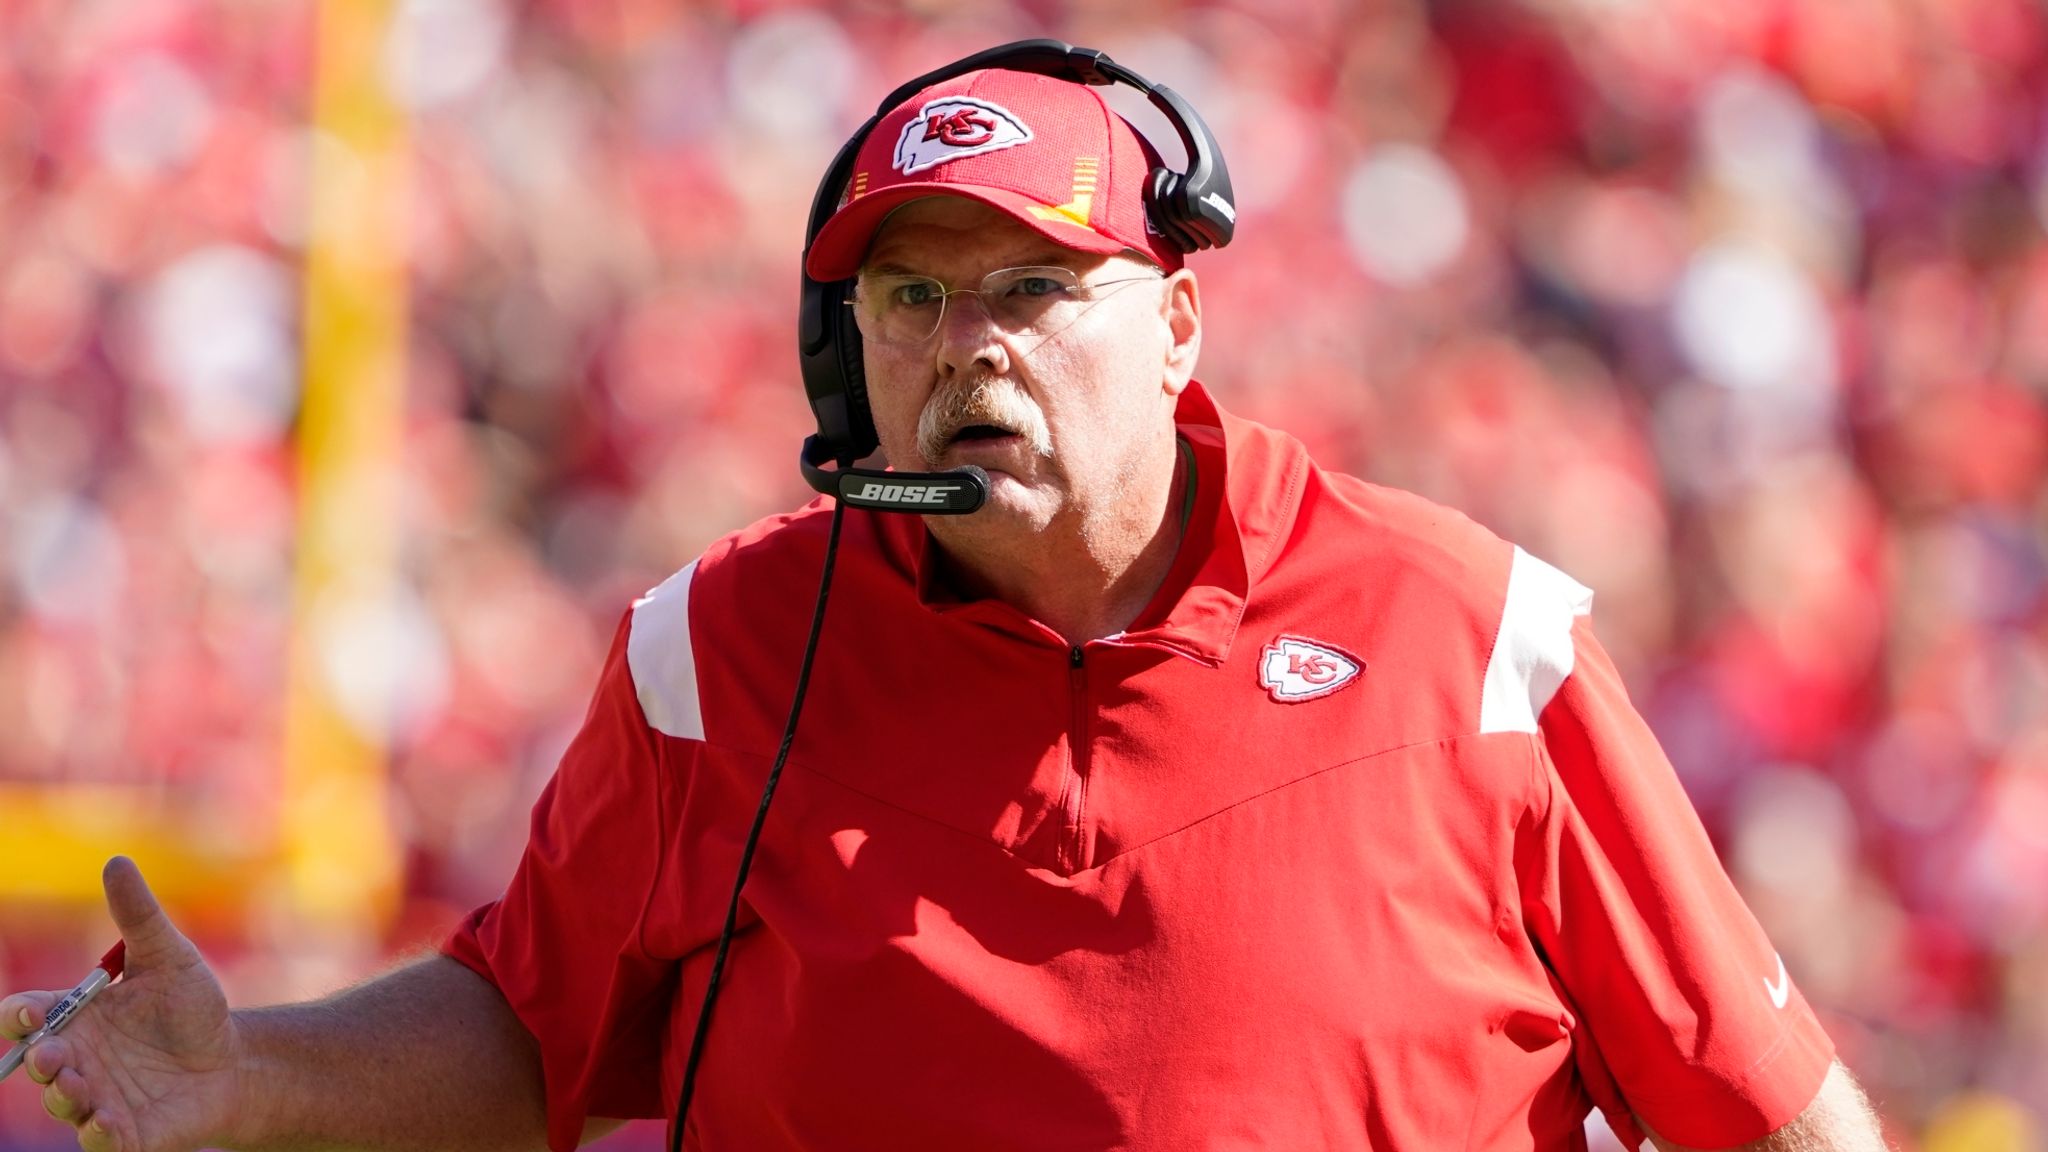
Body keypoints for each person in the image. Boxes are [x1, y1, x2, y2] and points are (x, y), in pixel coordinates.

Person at [2, 47, 1890, 1152]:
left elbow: (1778, 1114)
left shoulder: (1466, 636)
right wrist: (250, 1073)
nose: (962, 346)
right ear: (847, 366)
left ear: (1176, 324)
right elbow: (529, 1025)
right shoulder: (716, 650)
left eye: (1029, 290)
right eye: (909, 302)